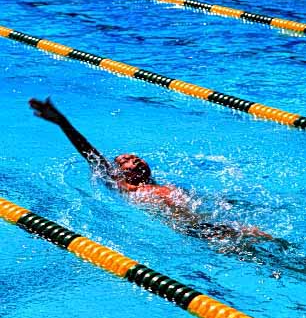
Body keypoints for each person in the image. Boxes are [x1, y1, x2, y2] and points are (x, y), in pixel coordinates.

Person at [29, 98, 274, 243]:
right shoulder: (125, 187)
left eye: (135, 156)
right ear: (119, 172)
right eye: (126, 159)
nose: (134, 158)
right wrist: (62, 122)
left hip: (209, 223)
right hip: (198, 230)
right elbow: (89, 153)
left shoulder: (158, 184)